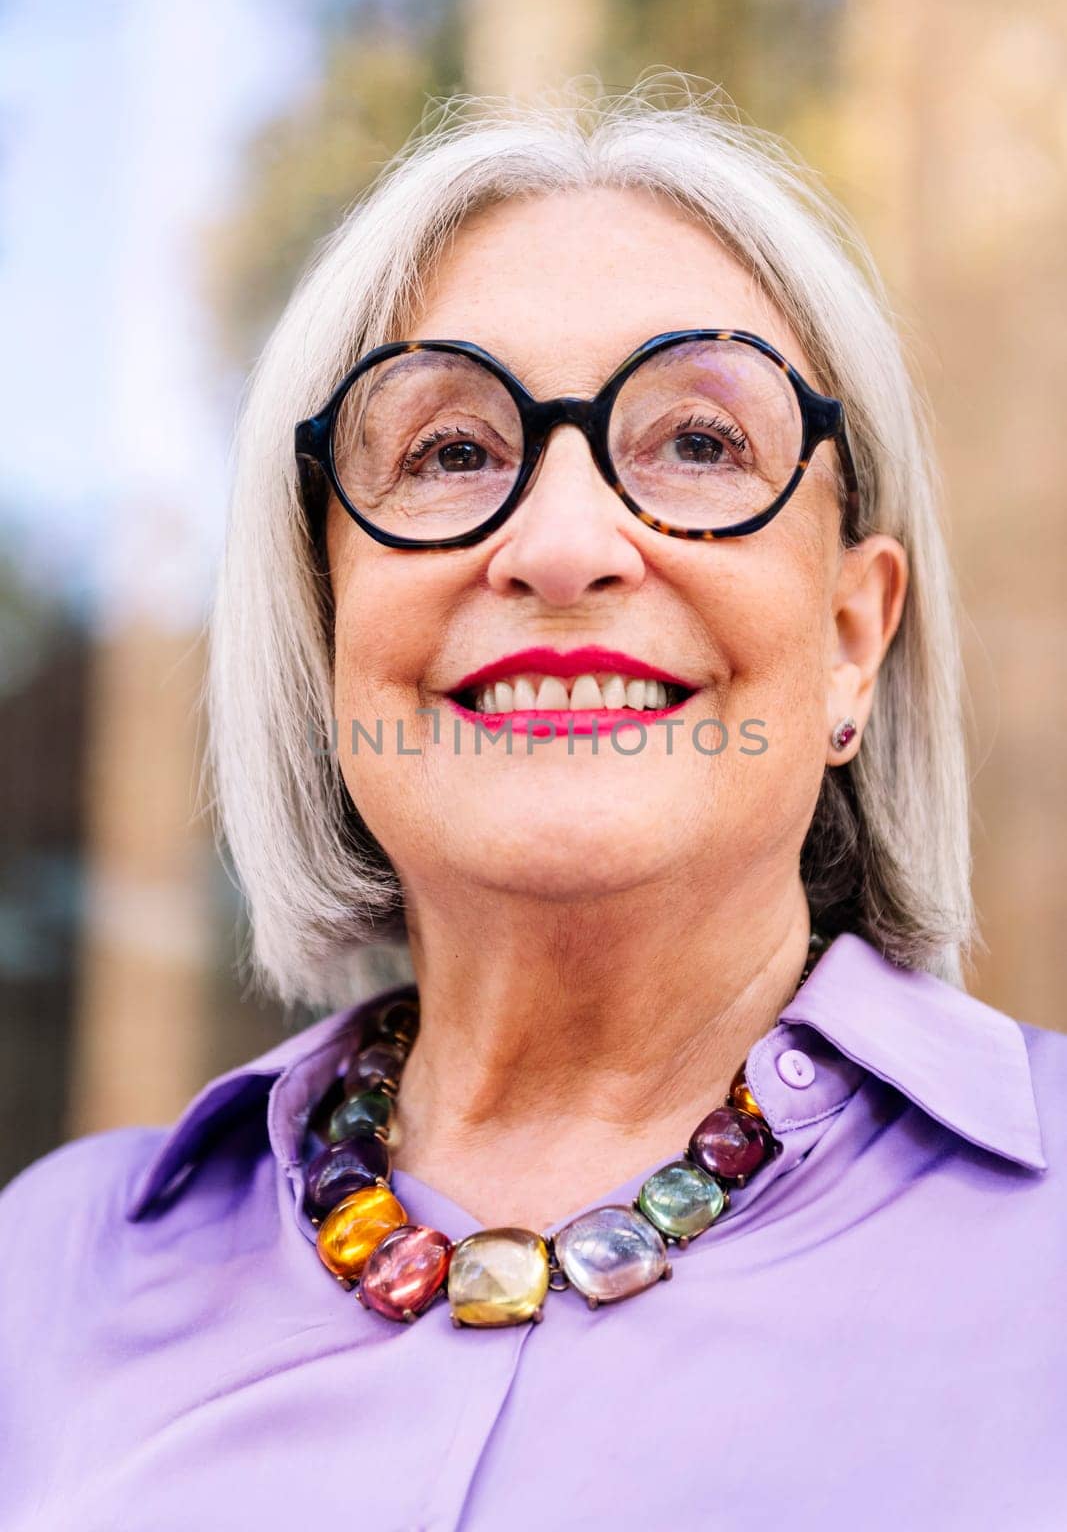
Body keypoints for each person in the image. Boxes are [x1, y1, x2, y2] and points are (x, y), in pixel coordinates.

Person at [1, 81, 1064, 1532]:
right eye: (450, 454)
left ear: (852, 638)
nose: (561, 546)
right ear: (325, 637)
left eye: (701, 441)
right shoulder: (48, 1276)